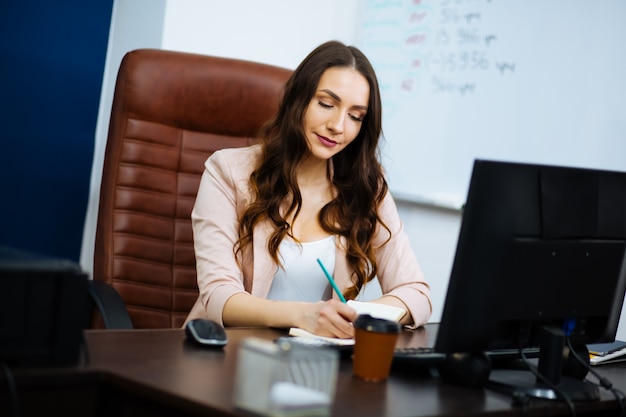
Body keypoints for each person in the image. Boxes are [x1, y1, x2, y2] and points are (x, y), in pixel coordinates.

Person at [185, 40, 431, 338]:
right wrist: (305, 315)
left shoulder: (366, 186)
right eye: (326, 104)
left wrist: (356, 317)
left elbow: (416, 292)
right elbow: (218, 296)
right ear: (297, 99)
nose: (338, 125)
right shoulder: (226, 171)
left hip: (318, 363)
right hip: (231, 355)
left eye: (355, 116)